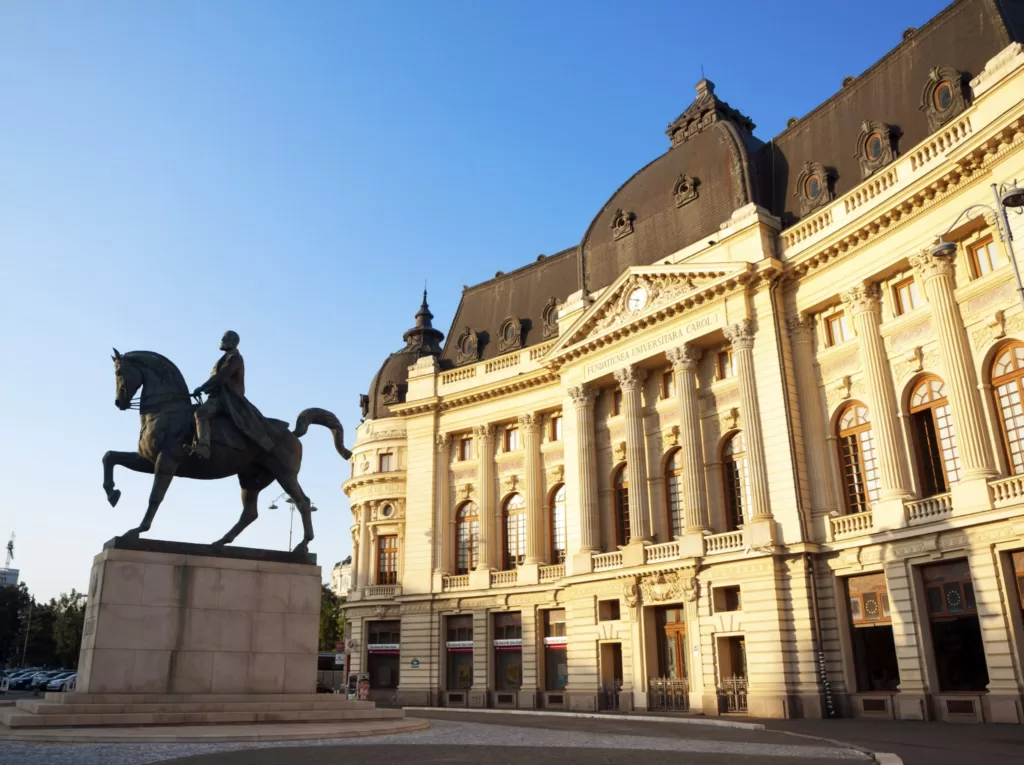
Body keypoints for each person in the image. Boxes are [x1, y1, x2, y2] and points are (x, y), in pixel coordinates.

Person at [192, 330, 276, 458]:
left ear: (234, 342)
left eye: (225, 338)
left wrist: (203, 387)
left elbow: (221, 376)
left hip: (227, 398)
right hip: (217, 395)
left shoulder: (235, 358)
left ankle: (204, 447)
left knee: (201, 413)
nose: (222, 340)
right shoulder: (227, 357)